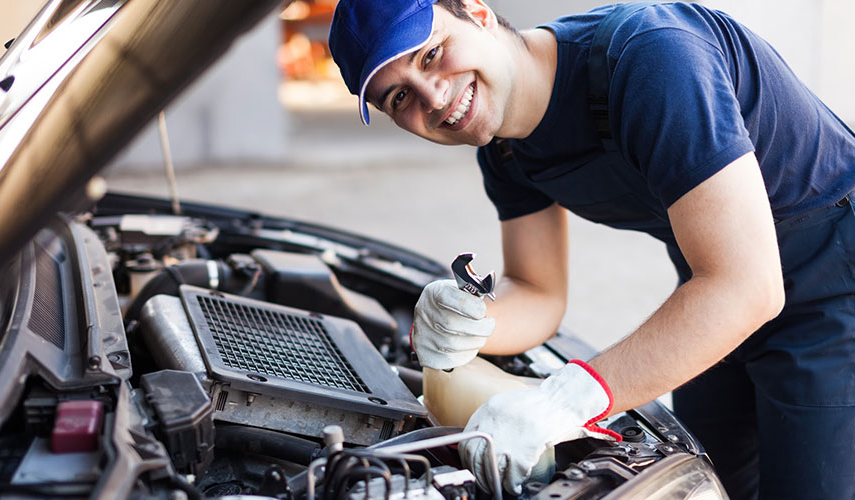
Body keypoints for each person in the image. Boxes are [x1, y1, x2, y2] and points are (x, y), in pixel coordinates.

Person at [327, 1, 855, 498]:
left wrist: (563, 401)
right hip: (717, 293)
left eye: (432, 54)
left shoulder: (651, 58)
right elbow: (538, 290)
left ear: (478, 12)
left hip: (833, 289)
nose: (434, 98)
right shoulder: (506, 149)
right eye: (399, 97)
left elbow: (746, 286)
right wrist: (473, 321)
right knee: (709, 482)